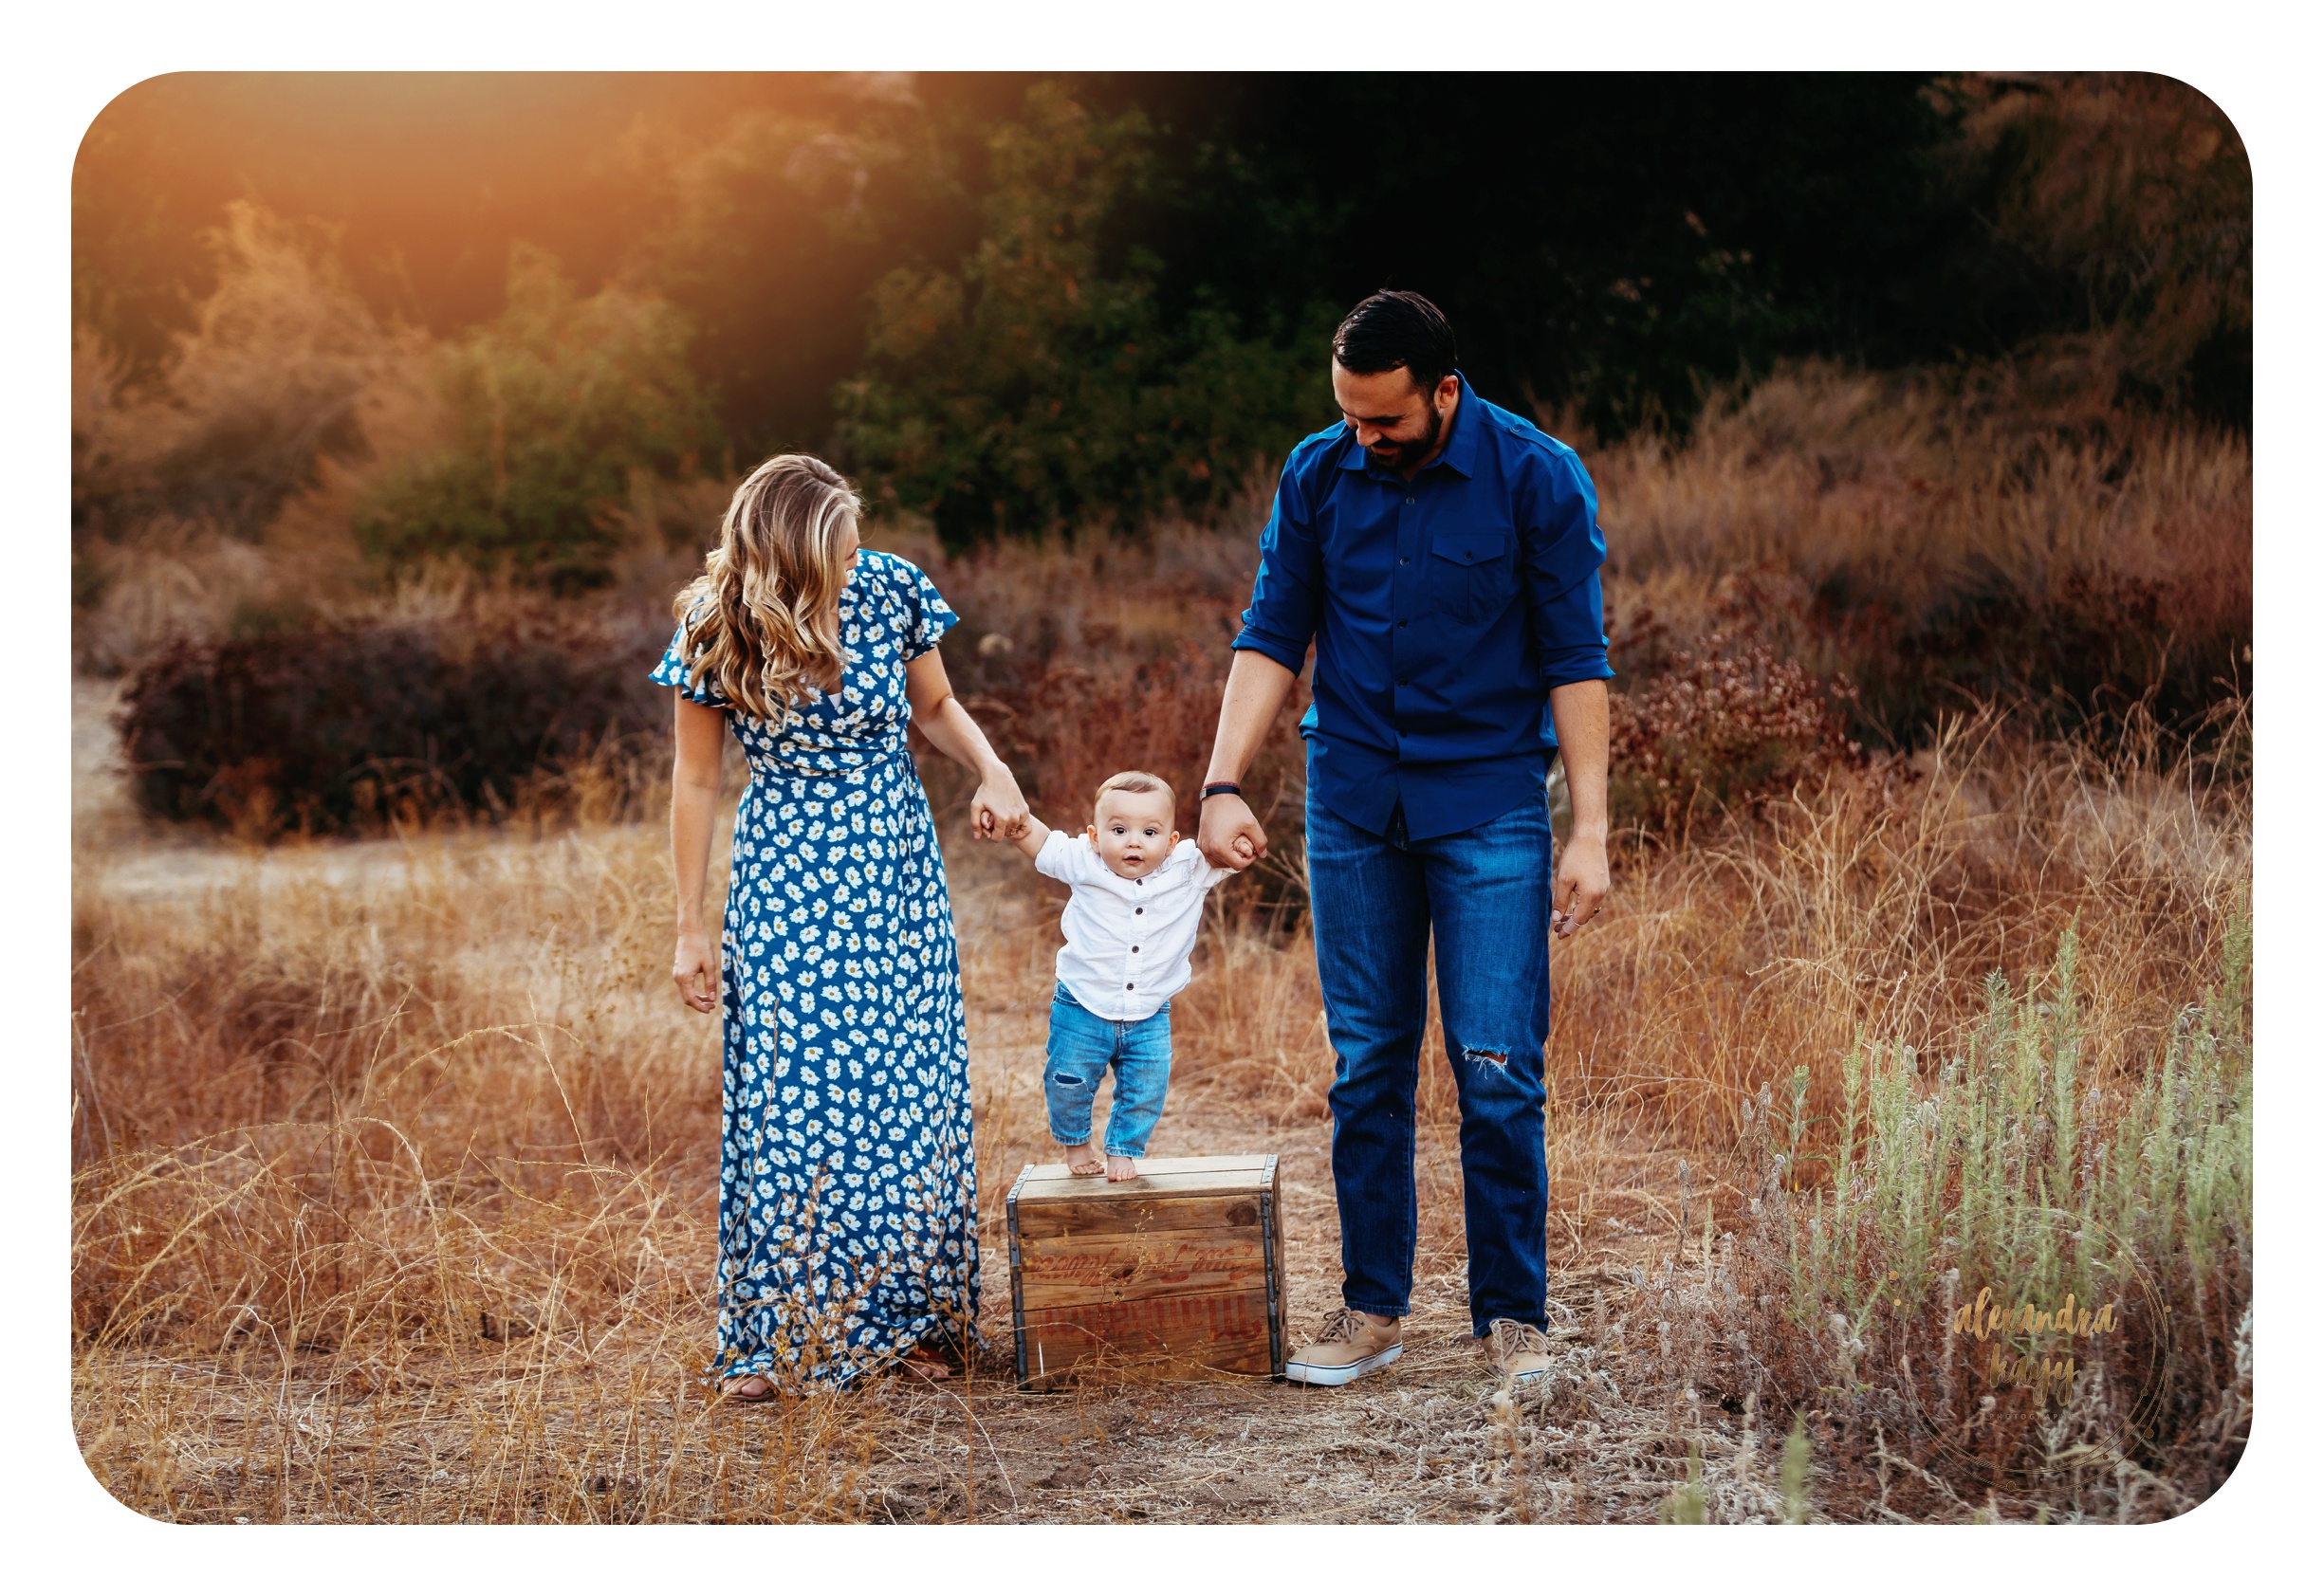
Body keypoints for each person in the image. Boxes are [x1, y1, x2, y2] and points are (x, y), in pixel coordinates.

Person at [1195, 291, 1614, 1388]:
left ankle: (1509, 1318)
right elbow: (1271, 632)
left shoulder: (1534, 475)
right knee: (1366, 1066)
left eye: (1382, 421)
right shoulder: (1317, 471)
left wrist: (1592, 830)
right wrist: (1219, 780)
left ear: (1441, 391)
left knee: (1494, 1069)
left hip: (1489, 812)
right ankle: (1369, 1309)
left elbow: (1576, 659)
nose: (1362, 439)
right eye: (1346, 416)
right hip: (1351, 808)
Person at [656, 453, 1030, 1402]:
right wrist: (688, 928)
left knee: (902, 1092)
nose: (857, 557)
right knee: (790, 1099)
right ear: (790, 555)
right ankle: (774, 1333)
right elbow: (695, 781)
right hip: (783, 877)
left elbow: (934, 704)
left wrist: (992, 771)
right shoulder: (715, 619)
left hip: (894, 868)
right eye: (839, 548)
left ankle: (912, 1325)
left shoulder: (893, 587)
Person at [1004, 771, 1246, 1181]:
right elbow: (1042, 841)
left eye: (1150, 831)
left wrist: (1240, 841)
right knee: (1068, 1081)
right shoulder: (1085, 861)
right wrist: (1014, 822)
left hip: (1149, 1013)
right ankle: (1077, 1145)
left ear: (1171, 842)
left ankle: (1123, 1150)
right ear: (1095, 836)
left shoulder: (1188, 868)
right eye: (1119, 829)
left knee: (1146, 1089)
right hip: (1081, 1005)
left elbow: (1225, 850)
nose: (1133, 841)